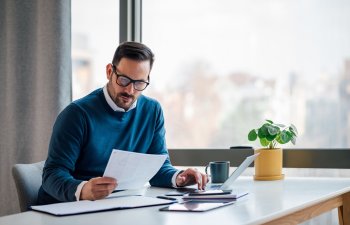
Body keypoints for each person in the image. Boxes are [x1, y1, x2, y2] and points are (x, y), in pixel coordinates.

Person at [37, 41, 208, 204]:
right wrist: (83, 190)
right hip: (65, 210)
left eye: (139, 83)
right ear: (109, 71)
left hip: (115, 207)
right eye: (124, 80)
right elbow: (52, 175)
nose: (130, 90)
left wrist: (180, 177)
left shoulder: (152, 111)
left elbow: (159, 169)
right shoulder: (77, 115)